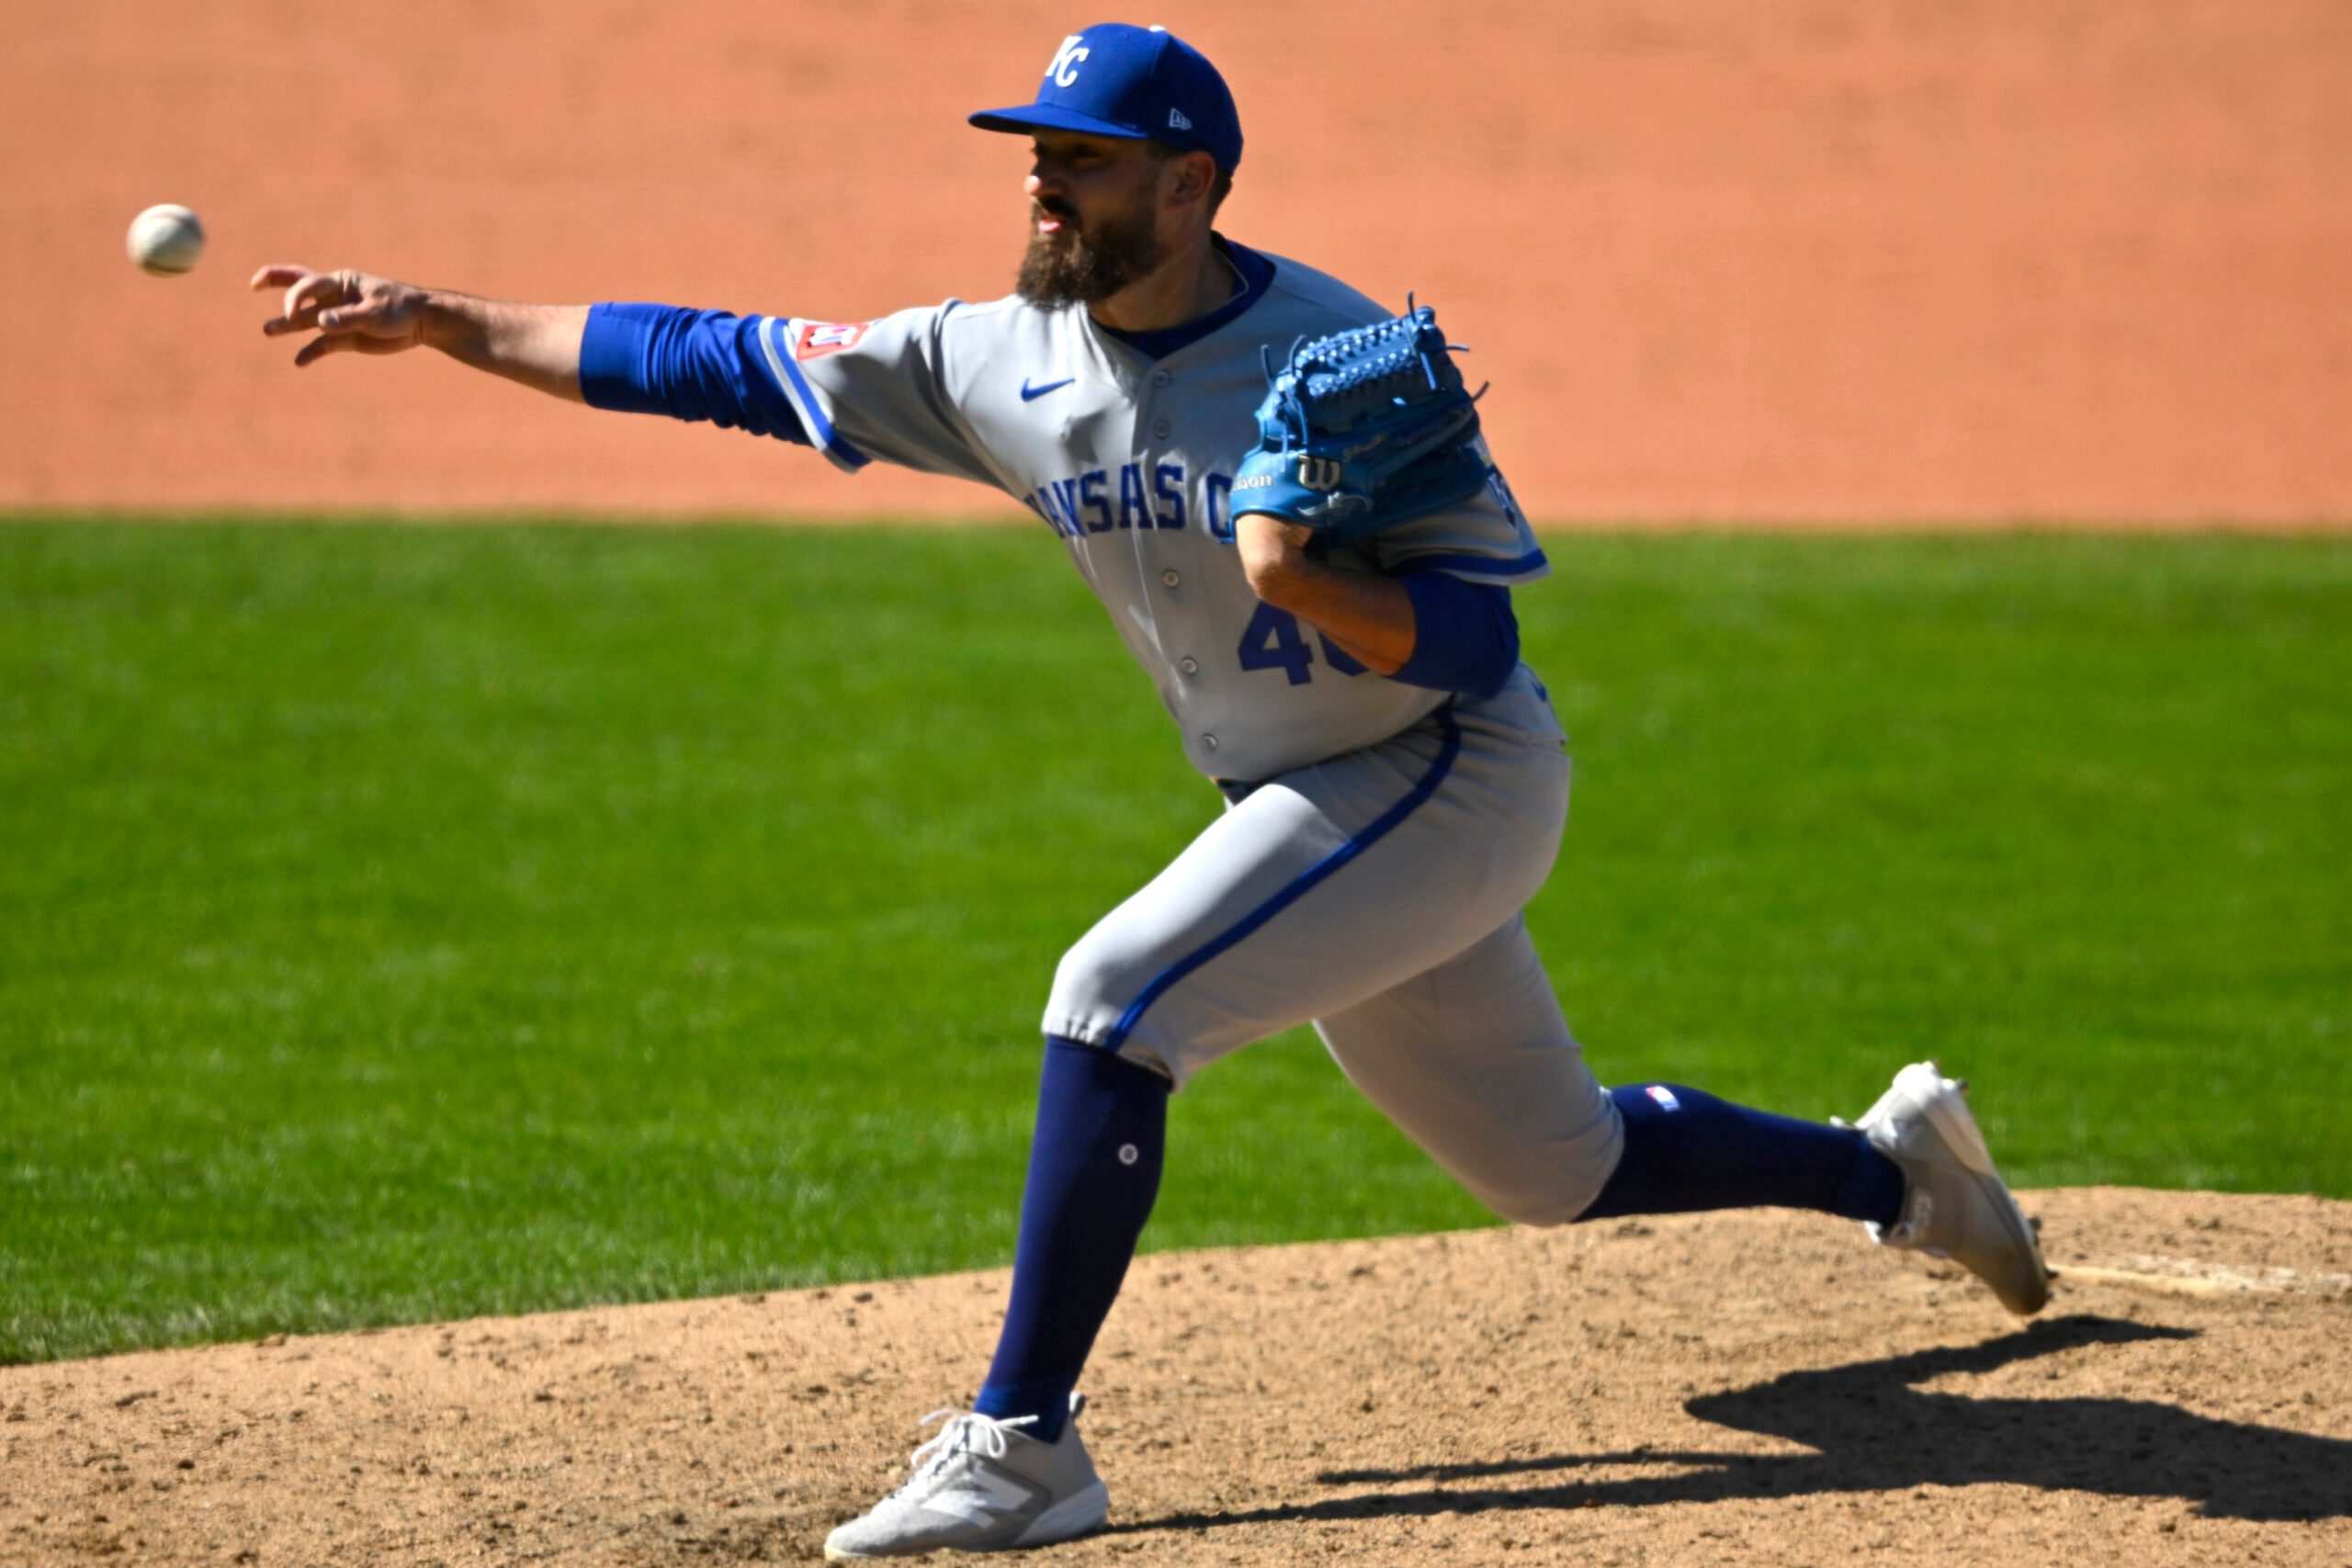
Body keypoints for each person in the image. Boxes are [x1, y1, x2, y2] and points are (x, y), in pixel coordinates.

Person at [254, 23, 2052, 1561]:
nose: (1044, 191)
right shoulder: (996, 358)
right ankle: (1897, 1166)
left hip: (1447, 776)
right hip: (1308, 809)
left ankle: (1024, 1439)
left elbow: (1475, 650)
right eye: (1037, 158)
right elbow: (717, 359)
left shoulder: (1333, 367)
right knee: (1549, 1161)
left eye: (1085, 166)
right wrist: (444, 317)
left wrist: (1304, 577)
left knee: (1113, 995)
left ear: (1188, 187)